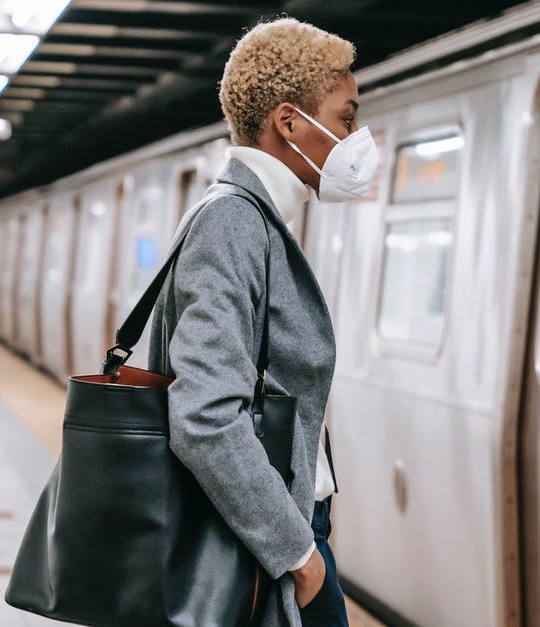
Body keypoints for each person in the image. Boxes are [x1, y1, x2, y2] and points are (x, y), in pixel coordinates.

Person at [148, 17, 377, 627]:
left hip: (274, 531)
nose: (356, 137)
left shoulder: (254, 219)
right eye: (346, 117)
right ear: (288, 122)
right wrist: (300, 556)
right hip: (263, 545)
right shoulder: (235, 223)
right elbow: (203, 414)